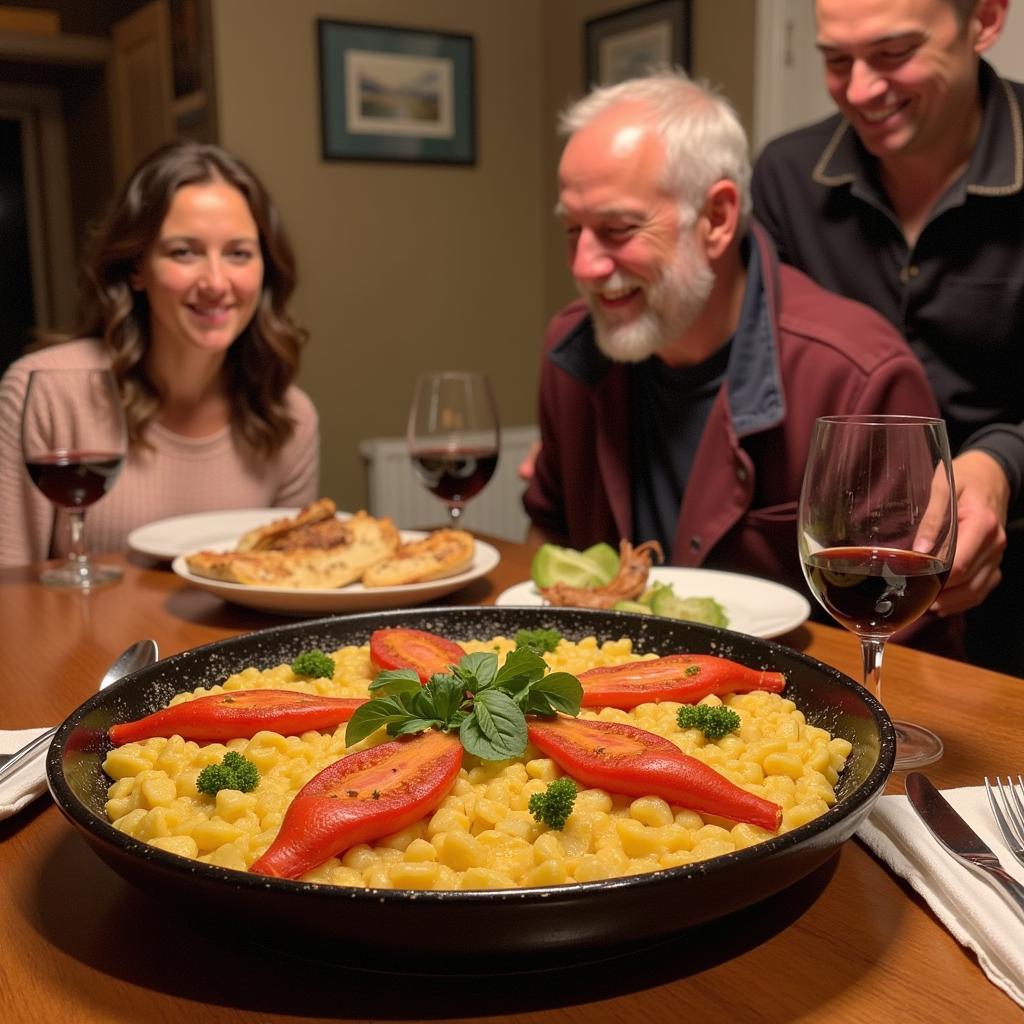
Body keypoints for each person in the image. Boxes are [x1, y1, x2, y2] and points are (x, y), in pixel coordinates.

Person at [522, 70, 961, 651]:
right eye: (572, 230)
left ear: (718, 219)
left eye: (617, 229)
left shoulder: (854, 375)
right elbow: (547, 544)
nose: (583, 264)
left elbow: (914, 639)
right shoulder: (573, 354)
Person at [751, 0, 1023, 675]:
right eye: (836, 60)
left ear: (985, 20)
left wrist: (1001, 464)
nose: (863, 90)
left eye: (894, 53)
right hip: (845, 592)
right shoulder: (785, 176)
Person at [0, 140, 319, 568]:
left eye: (238, 253)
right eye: (184, 252)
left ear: (264, 270)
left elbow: (291, 583)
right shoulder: (44, 392)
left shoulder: (291, 417)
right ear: (136, 268)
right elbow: (9, 594)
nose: (216, 282)